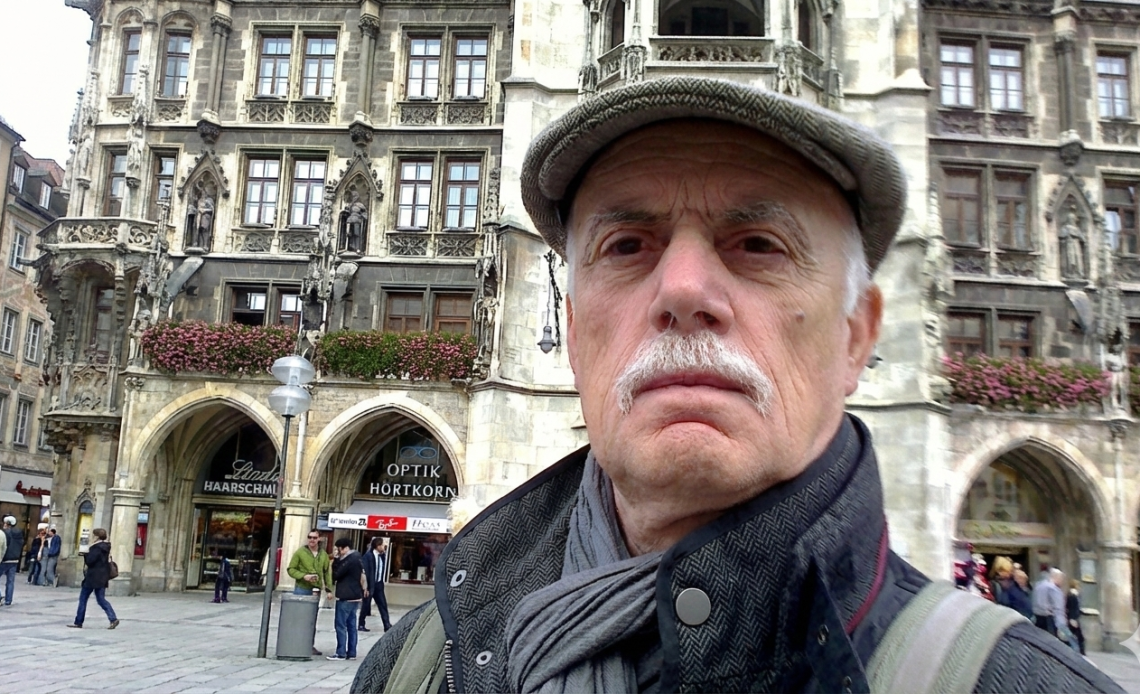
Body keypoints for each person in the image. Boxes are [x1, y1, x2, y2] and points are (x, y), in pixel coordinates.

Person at [353, 77, 1122, 693]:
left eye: (758, 244)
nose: (684, 289)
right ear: (574, 331)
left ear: (857, 335)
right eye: (627, 245)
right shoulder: (411, 669)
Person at [286, 529, 333, 656]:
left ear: (319, 539)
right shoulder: (300, 552)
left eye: (314, 538)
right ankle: (296, 643)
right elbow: (291, 569)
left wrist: (328, 589)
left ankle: (309, 645)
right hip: (302, 588)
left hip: (315, 590)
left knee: (312, 618)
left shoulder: (323, 555)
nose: (312, 540)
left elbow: (327, 573)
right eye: (310, 537)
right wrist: (303, 576)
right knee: (300, 617)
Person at [67, 527, 119, 629]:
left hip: (92, 577)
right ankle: (113, 618)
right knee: (101, 599)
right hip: (102, 577)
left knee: (83, 599)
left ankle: (78, 622)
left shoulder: (96, 548)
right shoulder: (106, 547)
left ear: (96, 536)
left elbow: (90, 561)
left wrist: (85, 554)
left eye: (93, 535)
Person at [328, 537, 367, 662]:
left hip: (346, 596)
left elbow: (336, 574)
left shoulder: (349, 559)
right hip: (355, 595)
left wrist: (335, 561)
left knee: (340, 625)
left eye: (338, 549)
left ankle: (341, 653)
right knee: (351, 626)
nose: (337, 552)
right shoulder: (358, 557)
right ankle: (352, 652)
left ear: (344, 548)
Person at [359, 537, 391, 633]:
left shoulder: (382, 556)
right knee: (366, 604)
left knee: (383, 604)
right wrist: (366, 587)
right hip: (370, 584)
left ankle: (387, 624)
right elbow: (366, 572)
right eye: (382, 545)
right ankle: (361, 623)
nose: (384, 546)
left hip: (379, 584)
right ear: (377, 546)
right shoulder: (368, 556)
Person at [1033, 568, 1070, 642]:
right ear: (1056, 577)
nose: (1062, 581)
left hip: (1038, 619)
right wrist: (1062, 626)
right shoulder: (1054, 589)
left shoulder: (1038, 586)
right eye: (1061, 578)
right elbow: (1058, 609)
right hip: (1050, 620)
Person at [1, 515, 23, 606]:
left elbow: (4, 546)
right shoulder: (20, 533)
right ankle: (8, 600)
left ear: (7, 524)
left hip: (5, 559)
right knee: (10, 581)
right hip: (15, 559)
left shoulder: (5, 533)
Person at [1068, 579, 1086, 656]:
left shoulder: (1074, 595)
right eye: (1078, 585)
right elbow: (1071, 608)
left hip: (1074, 618)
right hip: (1073, 619)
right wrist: (1072, 619)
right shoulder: (1072, 596)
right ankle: (1081, 652)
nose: (1079, 587)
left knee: (1076, 636)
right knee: (1079, 637)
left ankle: (1079, 651)